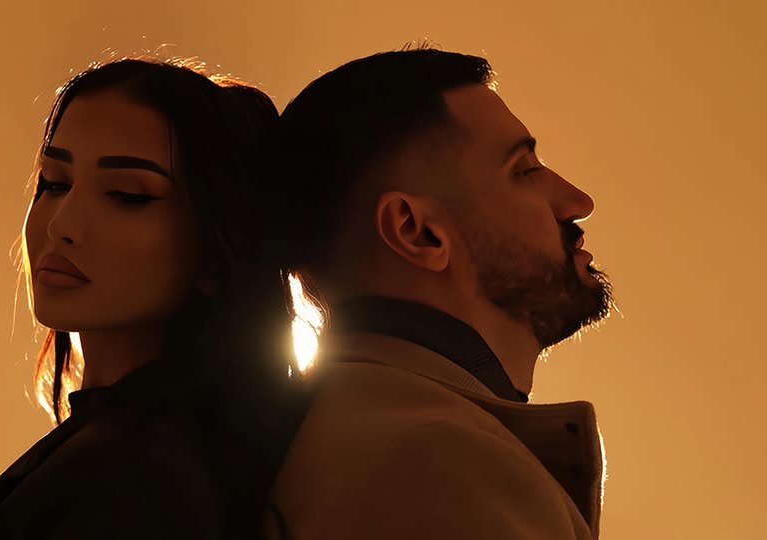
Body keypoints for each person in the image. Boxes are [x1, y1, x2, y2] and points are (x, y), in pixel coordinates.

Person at [0, 56, 307, 539]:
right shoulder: (119, 447)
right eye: (54, 183)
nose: (61, 224)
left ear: (216, 253)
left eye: (128, 195)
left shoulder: (142, 480)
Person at [261, 47, 615, 539]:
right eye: (524, 170)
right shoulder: (442, 465)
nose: (577, 202)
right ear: (418, 232)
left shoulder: (350, 437)